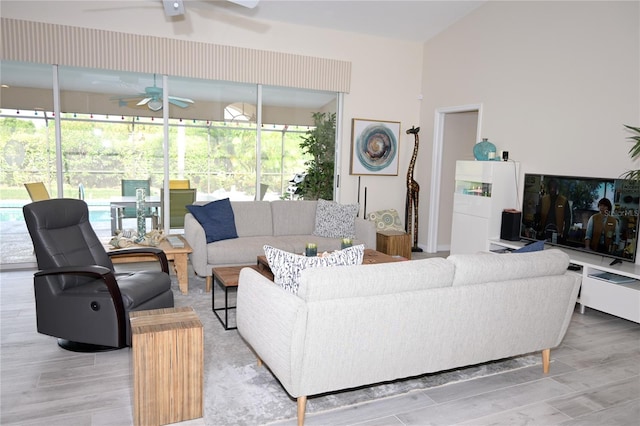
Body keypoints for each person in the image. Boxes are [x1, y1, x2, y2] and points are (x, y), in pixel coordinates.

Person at [537, 178, 571, 242]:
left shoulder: (564, 201)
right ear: (548, 188)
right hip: (544, 233)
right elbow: (538, 215)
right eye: (551, 187)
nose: (552, 189)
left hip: (558, 234)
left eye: (554, 187)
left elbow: (567, 219)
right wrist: (538, 230)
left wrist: (565, 234)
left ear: (557, 188)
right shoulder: (543, 200)